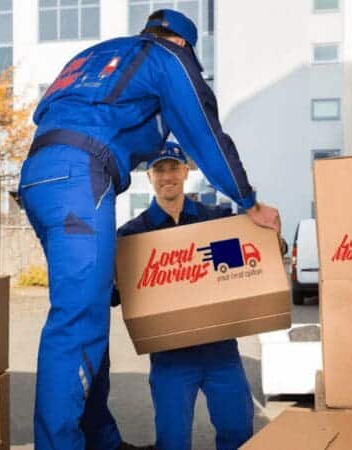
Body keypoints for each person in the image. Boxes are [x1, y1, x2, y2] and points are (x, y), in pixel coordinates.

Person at [18, 8, 280, 450]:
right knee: (77, 323)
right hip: (81, 174)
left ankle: (101, 440)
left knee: (87, 310)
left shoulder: (99, 56)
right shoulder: (166, 57)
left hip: (39, 176)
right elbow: (205, 132)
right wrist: (248, 200)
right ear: (183, 44)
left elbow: (49, 114)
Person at [115, 142, 256, 450]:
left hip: (220, 350)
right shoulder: (132, 236)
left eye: (174, 168)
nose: (168, 177)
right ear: (150, 176)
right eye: (160, 170)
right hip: (171, 358)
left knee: (239, 433)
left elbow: (243, 261)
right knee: (172, 442)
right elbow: (114, 294)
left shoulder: (215, 222)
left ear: (186, 172)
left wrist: (276, 245)